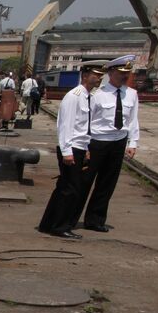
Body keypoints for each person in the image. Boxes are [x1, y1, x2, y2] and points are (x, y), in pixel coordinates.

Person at [37, 61, 104, 239]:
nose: (98, 78)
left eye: (100, 75)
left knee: (64, 187)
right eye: (95, 74)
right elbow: (65, 125)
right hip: (71, 147)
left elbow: (84, 127)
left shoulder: (89, 97)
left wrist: (87, 147)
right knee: (71, 189)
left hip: (79, 146)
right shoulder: (74, 96)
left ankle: (47, 224)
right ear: (85, 75)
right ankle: (60, 226)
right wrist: (67, 151)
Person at [81, 54, 140, 232]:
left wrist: (133, 142)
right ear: (111, 72)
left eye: (127, 73)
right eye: (121, 73)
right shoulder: (97, 95)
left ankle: (95, 220)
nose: (125, 76)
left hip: (118, 142)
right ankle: (71, 216)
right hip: (97, 142)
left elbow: (133, 119)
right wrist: (84, 145)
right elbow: (86, 121)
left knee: (107, 184)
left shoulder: (131, 94)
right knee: (85, 181)